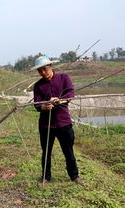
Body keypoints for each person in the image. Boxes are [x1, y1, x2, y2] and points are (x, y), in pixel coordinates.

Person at [32, 55, 83, 186]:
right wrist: (43, 106)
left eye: (45, 69)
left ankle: (74, 176)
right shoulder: (38, 85)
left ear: (51, 67)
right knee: (46, 152)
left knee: (68, 151)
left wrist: (60, 100)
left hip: (63, 122)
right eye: (40, 71)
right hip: (46, 125)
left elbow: (70, 94)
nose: (43, 73)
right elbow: (37, 104)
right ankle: (46, 178)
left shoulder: (63, 78)